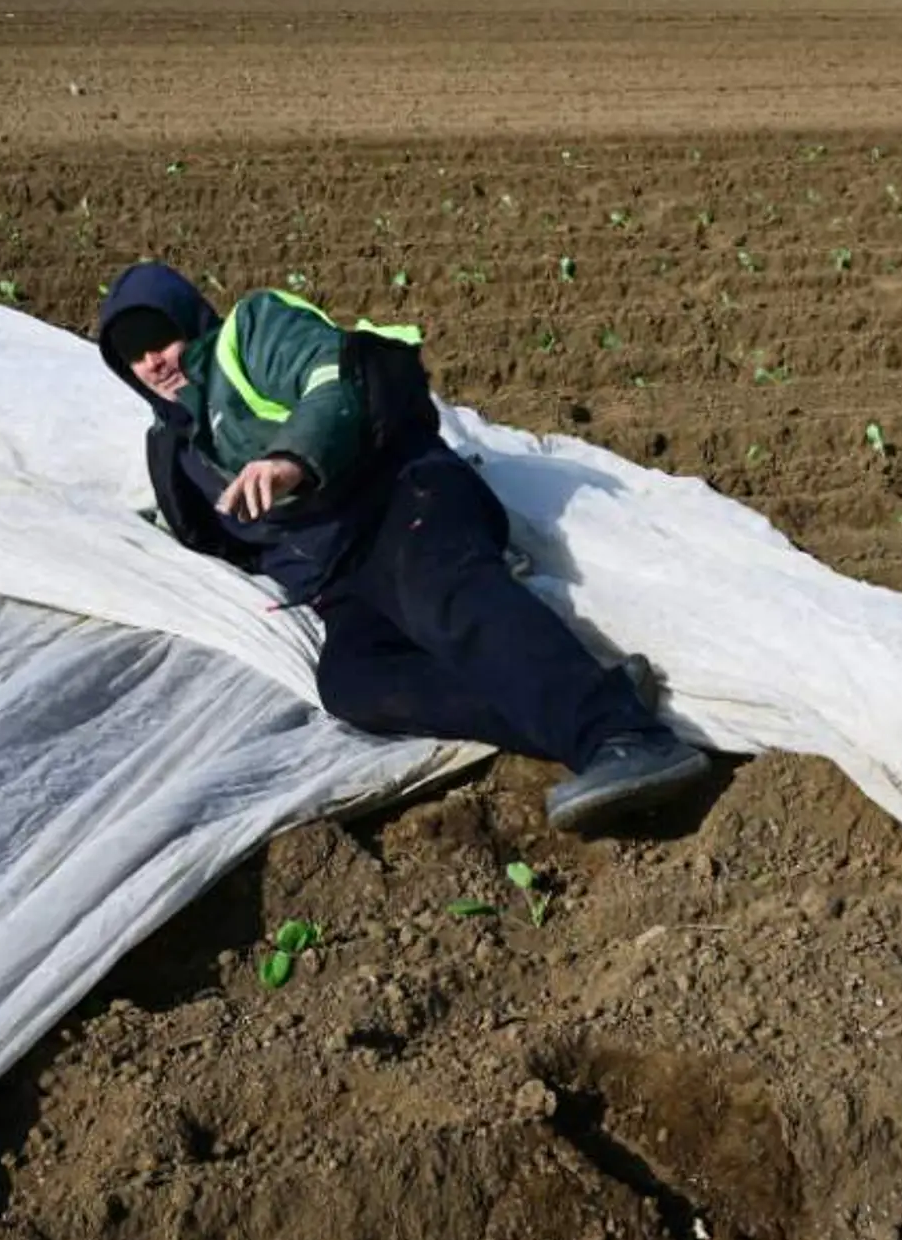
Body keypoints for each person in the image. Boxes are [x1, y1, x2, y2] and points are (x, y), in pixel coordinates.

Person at [97, 259, 710, 831]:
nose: (153, 360)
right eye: (133, 355)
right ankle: (600, 703)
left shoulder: (251, 335)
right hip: (340, 579)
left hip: (402, 499)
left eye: (160, 336)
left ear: (190, 320)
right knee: (354, 684)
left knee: (443, 599)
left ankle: (626, 738)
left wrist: (291, 458)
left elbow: (330, 382)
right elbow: (210, 541)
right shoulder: (172, 449)